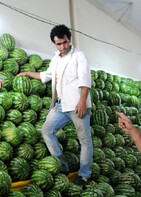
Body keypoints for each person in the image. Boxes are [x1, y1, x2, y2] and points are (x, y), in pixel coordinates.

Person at [17, 24, 93, 186]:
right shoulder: (55, 59)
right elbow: (46, 75)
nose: (62, 47)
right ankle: (62, 166)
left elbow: (85, 80)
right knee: (46, 130)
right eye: (59, 44)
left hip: (77, 105)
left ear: (69, 39)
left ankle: (85, 174)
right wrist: (28, 73)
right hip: (60, 105)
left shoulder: (79, 56)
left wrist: (82, 101)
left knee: (84, 140)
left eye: (65, 42)